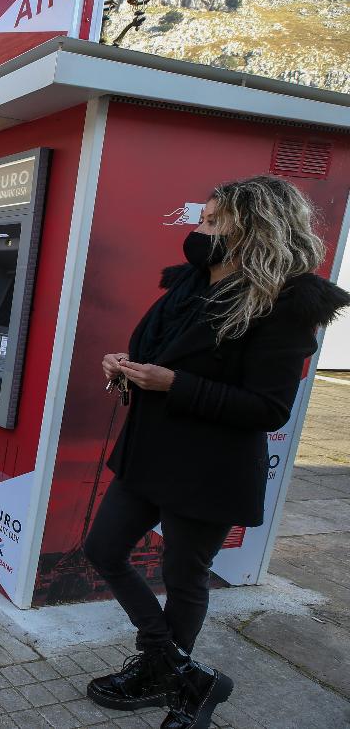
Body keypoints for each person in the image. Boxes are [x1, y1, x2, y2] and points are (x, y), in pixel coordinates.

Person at [84, 176, 349, 729]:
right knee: (105, 550)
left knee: (184, 577)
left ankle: (168, 680)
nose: (197, 230)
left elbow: (268, 408)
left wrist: (172, 384)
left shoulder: (288, 305)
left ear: (254, 229)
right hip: (149, 453)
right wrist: (126, 368)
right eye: (201, 218)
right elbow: (157, 357)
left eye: (210, 221)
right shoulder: (189, 284)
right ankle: (179, 669)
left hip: (209, 468)